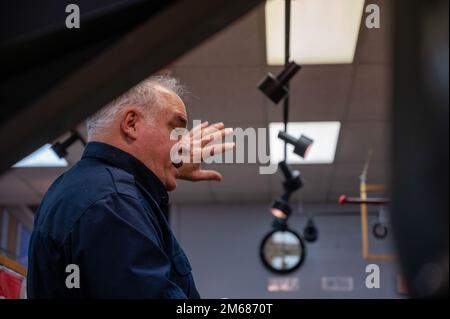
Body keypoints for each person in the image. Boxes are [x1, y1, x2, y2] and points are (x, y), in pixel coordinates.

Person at [27, 76, 234, 298]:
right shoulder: (113, 203)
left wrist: (169, 165)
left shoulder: (83, 187)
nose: (184, 145)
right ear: (131, 124)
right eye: (176, 130)